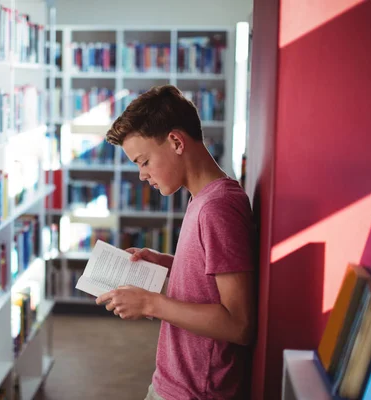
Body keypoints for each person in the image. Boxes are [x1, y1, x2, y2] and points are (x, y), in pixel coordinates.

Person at [96, 85, 256, 400]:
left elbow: (239, 325)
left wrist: (149, 303)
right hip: (175, 382)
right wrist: (166, 262)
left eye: (143, 161)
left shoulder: (217, 208)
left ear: (175, 141)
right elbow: (213, 276)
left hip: (196, 391)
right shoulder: (203, 198)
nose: (142, 175)